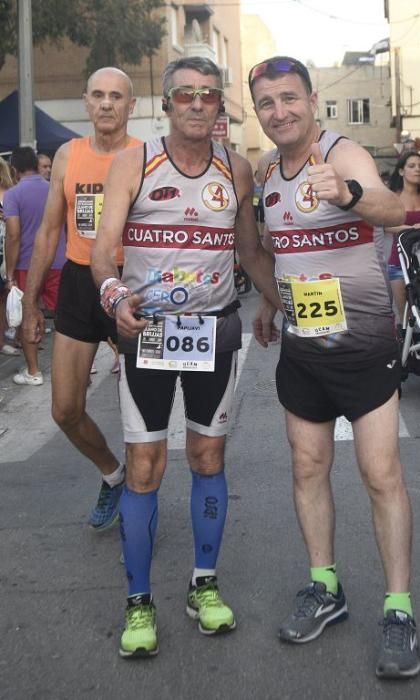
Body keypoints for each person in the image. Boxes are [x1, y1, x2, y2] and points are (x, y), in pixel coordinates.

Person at [91, 56, 279, 659]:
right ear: (167, 104)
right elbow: (102, 251)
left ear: (219, 105)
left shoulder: (237, 168)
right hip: (148, 332)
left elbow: (249, 251)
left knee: (206, 455)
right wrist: (115, 295)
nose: (198, 104)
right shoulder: (134, 161)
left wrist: (280, 303)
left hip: (215, 332)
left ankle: (203, 584)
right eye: (186, 95)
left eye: (208, 95)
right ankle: (139, 600)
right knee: (144, 468)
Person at [248, 55, 420, 680]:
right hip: (304, 350)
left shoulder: (341, 154)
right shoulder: (268, 172)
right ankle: (326, 587)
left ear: (313, 99)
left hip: (364, 343)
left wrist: (346, 193)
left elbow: (395, 210)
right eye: (266, 103)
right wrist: (271, 302)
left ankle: (398, 610)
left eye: (289, 99)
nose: (279, 112)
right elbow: (271, 251)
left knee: (379, 474)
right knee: (307, 466)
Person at [21, 67, 140, 529]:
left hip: (131, 282)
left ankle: (141, 493)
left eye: (116, 96)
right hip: (77, 280)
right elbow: (50, 229)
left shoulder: (145, 155)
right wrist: (31, 303)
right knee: (65, 409)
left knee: (141, 410)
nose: (106, 104)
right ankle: (114, 474)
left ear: (131, 106)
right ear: (86, 102)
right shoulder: (68, 156)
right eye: (97, 95)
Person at [3, 147, 65, 384]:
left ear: (14, 169)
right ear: (36, 165)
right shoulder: (54, 190)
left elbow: (14, 235)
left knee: (26, 314)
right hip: (59, 261)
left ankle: (33, 371)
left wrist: (9, 273)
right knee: (63, 318)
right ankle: (72, 369)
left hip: (27, 263)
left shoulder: (13, 195)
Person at [386, 151, 420, 323]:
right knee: (406, 316)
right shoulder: (393, 197)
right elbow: (386, 227)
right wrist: (410, 229)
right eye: (412, 166)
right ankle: (408, 349)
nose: (418, 170)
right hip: (398, 262)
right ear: (401, 171)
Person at [0, 157, 19, 356]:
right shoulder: (12, 192)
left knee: (6, 295)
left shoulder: (10, 193)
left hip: (6, 246)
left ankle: (9, 334)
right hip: (7, 248)